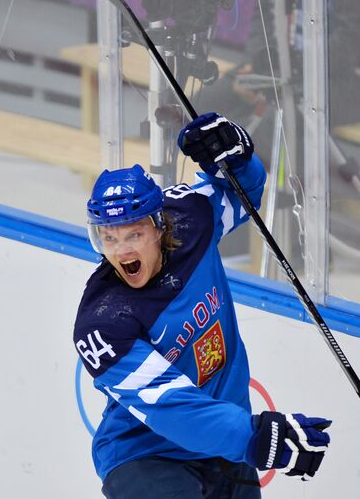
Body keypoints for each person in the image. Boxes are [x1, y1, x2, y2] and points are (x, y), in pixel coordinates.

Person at [74, 113, 331, 498]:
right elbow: (169, 404)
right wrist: (253, 437)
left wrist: (237, 157)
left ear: (160, 226)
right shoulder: (103, 322)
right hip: (147, 456)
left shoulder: (191, 218)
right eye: (108, 238)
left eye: (134, 233)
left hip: (228, 438)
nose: (122, 249)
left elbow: (245, 194)